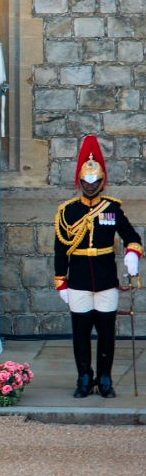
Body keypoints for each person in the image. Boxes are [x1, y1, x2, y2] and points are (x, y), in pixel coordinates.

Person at [55, 135, 142, 398]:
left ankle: (105, 378)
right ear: (80, 181)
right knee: (80, 335)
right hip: (79, 279)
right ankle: (84, 378)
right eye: (85, 181)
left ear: (101, 181)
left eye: (94, 181)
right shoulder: (67, 211)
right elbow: (61, 248)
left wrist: (132, 254)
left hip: (105, 280)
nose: (90, 186)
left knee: (106, 334)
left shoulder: (112, 209)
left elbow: (133, 237)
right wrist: (61, 281)